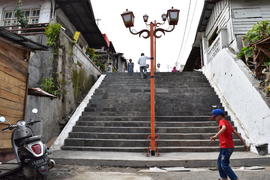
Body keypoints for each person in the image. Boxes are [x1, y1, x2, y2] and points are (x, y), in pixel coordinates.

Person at [210, 109, 247, 180]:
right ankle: (224, 178)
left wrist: (216, 136)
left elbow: (224, 128)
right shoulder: (228, 123)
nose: (215, 119)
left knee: (224, 165)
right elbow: (237, 133)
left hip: (226, 147)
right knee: (219, 163)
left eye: (215, 117)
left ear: (220, 116)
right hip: (226, 147)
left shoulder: (222, 121)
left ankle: (235, 178)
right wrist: (244, 143)